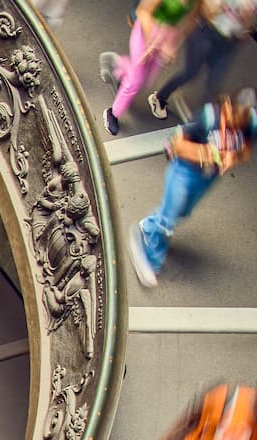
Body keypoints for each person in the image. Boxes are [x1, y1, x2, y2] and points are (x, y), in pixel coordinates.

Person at [128, 89, 257, 287]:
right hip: (184, 171)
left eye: (242, 119)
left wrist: (233, 156)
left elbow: (246, 150)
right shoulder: (209, 117)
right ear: (228, 106)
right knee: (168, 221)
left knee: (181, 212)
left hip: (207, 178)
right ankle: (151, 261)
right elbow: (177, 144)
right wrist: (208, 153)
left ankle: (149, 226)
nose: (236, 123)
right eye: (235, 116)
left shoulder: (251, 124)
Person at [97, 0, 196, 136]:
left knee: (146, 77)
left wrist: (172, 45)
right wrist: (151, 44)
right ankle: (113, 113)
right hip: (148, 30)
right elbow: (143, 11)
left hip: (166, 36)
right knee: (135, 81)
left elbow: (188, 21)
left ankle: (117, 65)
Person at [148, 0, 257, 119]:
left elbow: (248, 28)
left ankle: (203, 120)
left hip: (229, 42)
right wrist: (225, 7)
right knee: (190, 72)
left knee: (214, 81)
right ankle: (159, 97)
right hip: (206, 32)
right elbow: (206, 11)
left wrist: (245, 22)